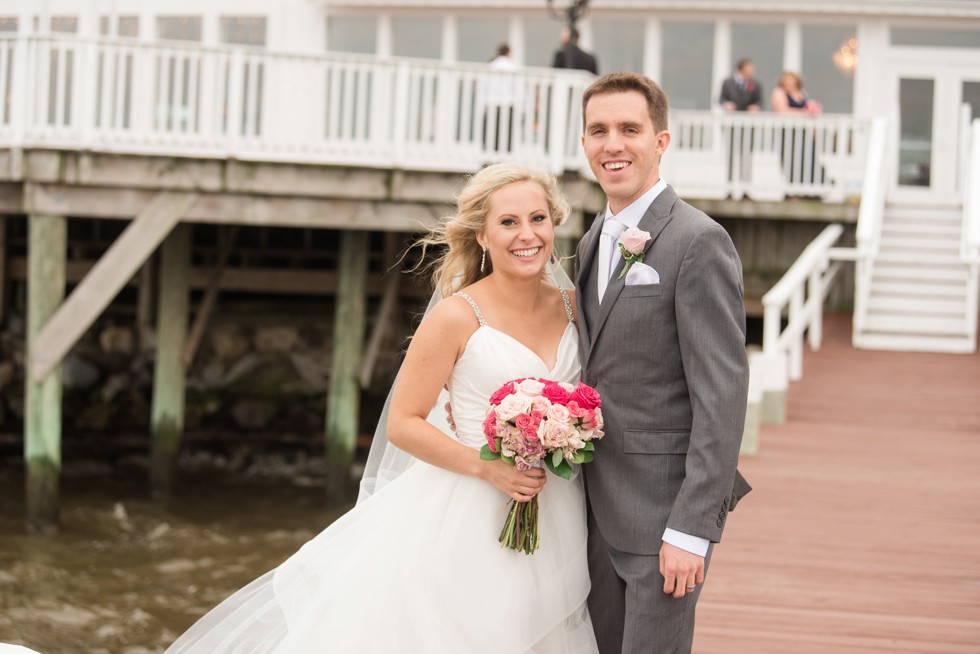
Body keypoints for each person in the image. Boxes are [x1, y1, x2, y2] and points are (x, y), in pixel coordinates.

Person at [163, 163, 599, 653]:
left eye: (538, 219)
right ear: (481, 234)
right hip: (470, 511)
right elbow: (403, 424)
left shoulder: (574, 306)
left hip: (559, 506)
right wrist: (489, 468)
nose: (527, 235)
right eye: (509, 222)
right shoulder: (457, 317)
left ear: (555, 223)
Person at [576, 72, 751, 653]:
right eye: (599, 130)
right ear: (583, 144)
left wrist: (692, 528)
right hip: (590, 510)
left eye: (630, 128)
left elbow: (721, 397)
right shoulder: (590, 239)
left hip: (661, 516)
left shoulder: (698, 241)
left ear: (661, 141)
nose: (613, 144)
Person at [483, 44, 520, 152]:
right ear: (508, 52)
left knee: (491, 134)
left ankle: (489, 157)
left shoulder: (491, 66)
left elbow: (485, 86)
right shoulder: (513, 67)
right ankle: (505, 159)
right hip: (508, 104)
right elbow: (517, 89)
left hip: (492, 104)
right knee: (506, 135)